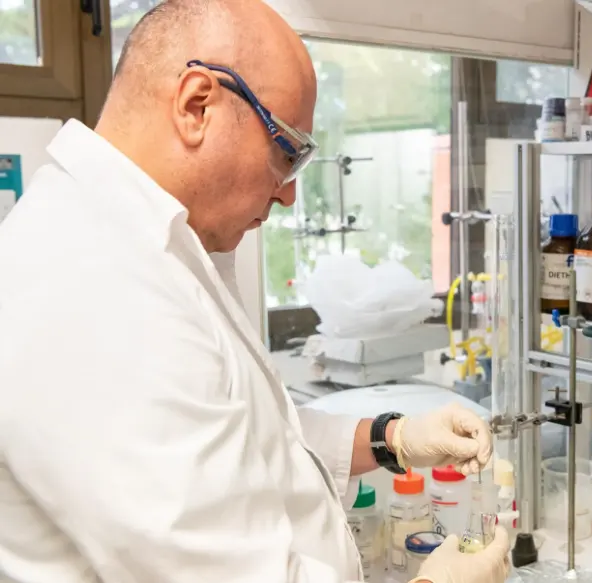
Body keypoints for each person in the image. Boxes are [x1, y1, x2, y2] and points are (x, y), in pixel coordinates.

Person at [0, 1, 511, 582]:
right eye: (286, 151)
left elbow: (250, 435)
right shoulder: (92, 280)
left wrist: (393, 438)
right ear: (197, 105)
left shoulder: (145, 241)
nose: (288, 194)